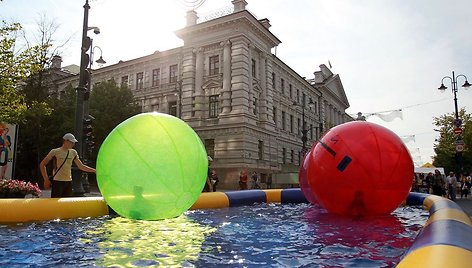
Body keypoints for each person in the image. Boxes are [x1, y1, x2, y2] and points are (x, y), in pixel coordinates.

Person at [39, 133, 96, 198]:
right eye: (71, 142)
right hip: (57, 182)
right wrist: (46, 179)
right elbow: (42, 164)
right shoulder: (55, 151)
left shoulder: (73, 152)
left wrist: (94, 170)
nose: (73, 144)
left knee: (67, 203)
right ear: (65, 141)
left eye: (73, 143)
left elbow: (81, 166)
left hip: (68, 182)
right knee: (56, 204)